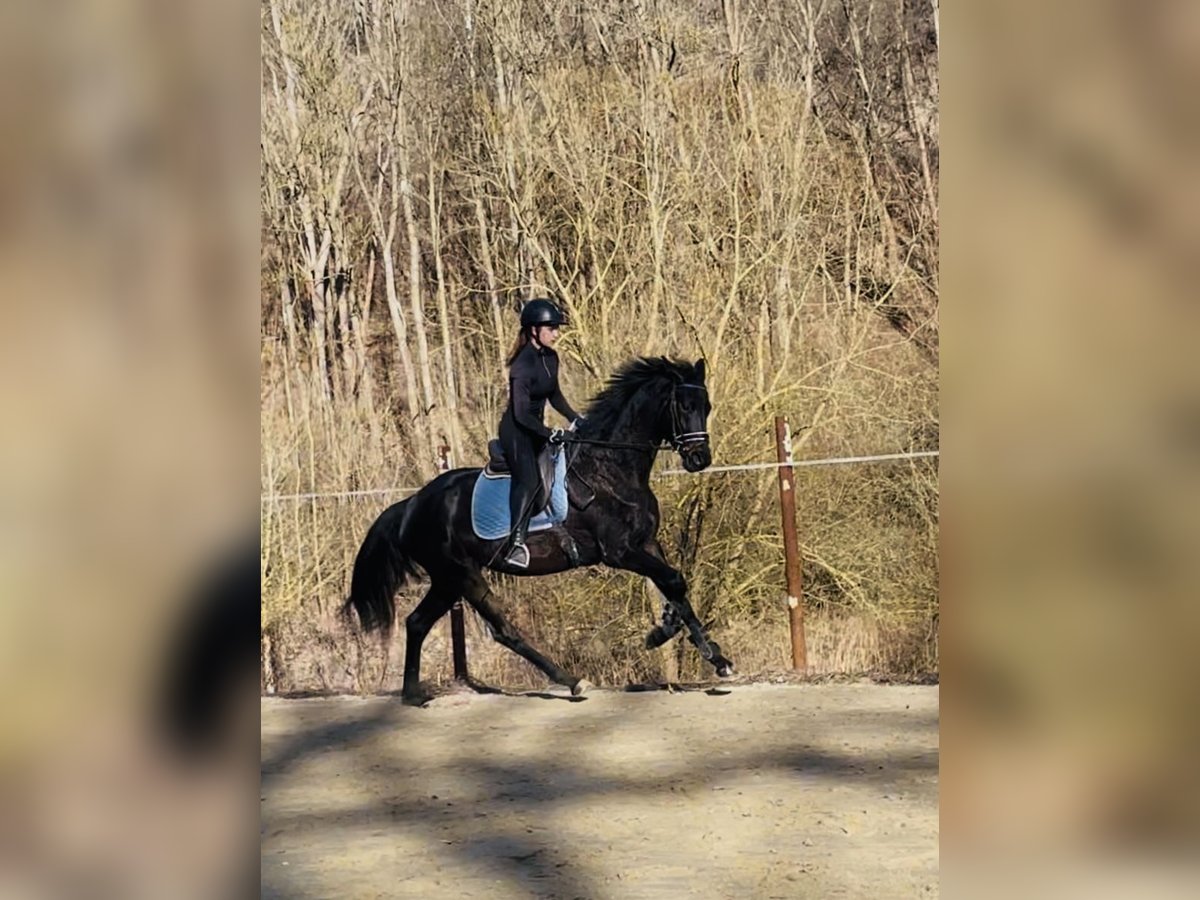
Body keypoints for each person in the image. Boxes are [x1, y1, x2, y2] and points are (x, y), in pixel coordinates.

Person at [499, 298, 583, 568]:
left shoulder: (551, 357)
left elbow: (554, 395)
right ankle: (516, 542)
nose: (556, 334)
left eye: (556, 328)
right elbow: (521, 414)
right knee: (531, 480)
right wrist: (549, 433)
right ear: (534, 330)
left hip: (535, 428)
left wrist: (575, 418)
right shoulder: (522, 365)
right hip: (516, 430)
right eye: (552, 328)